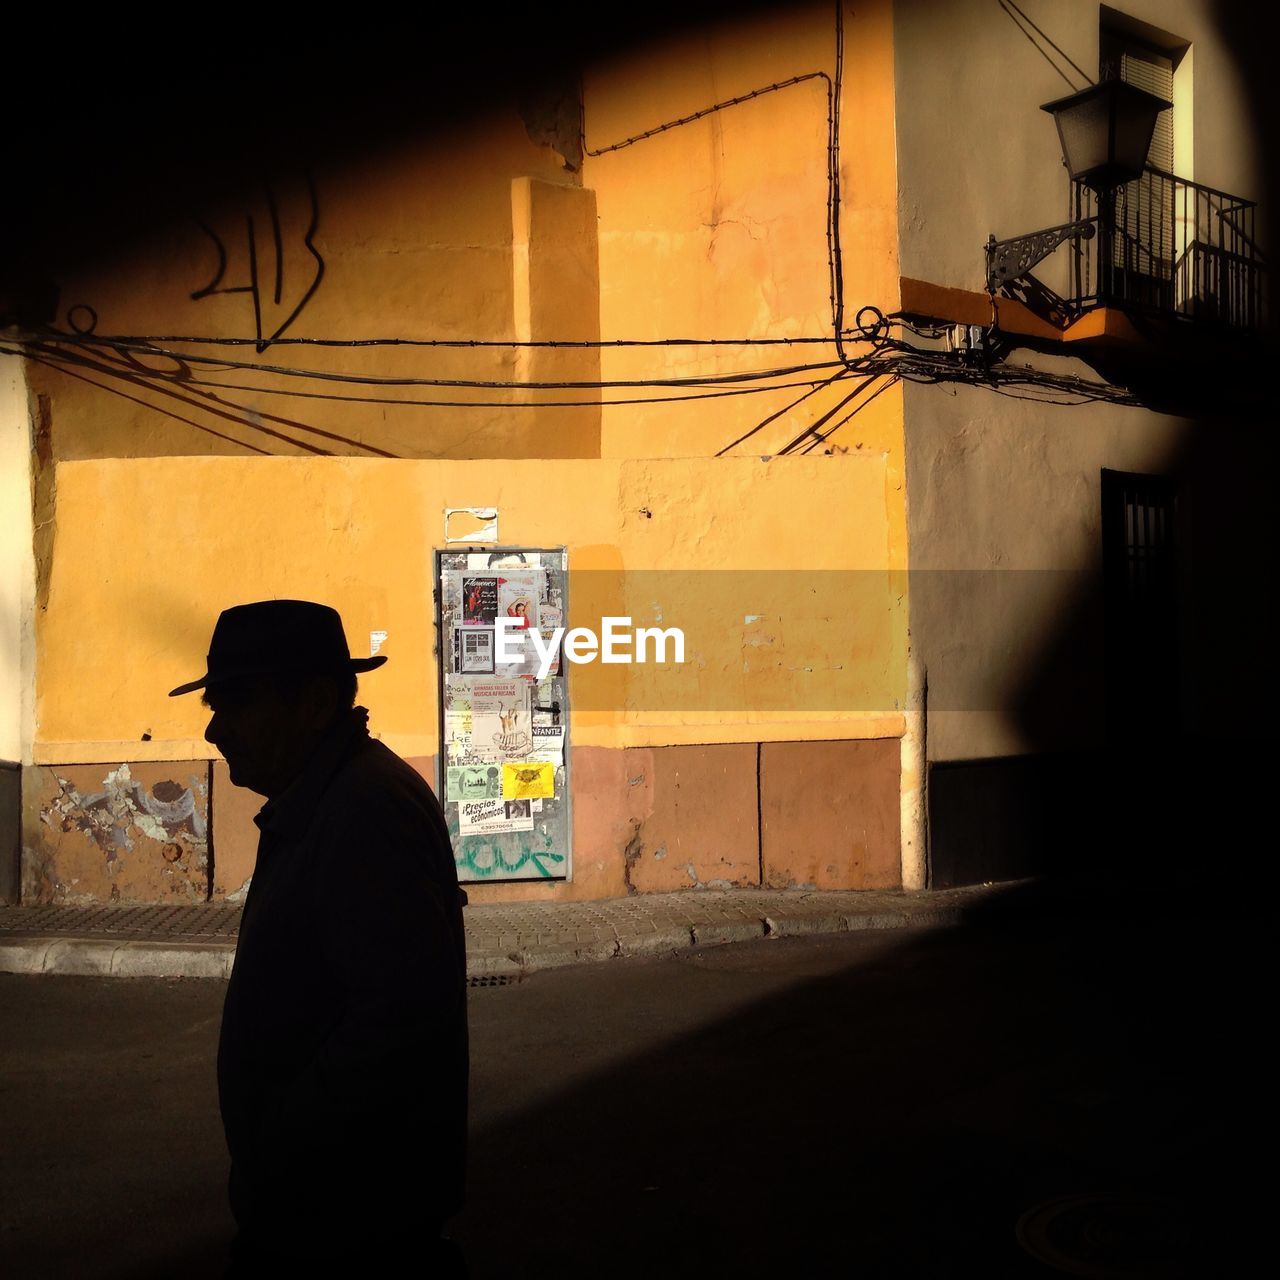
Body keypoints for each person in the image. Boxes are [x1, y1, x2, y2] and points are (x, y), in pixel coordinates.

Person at [169, 600, 468, 1276]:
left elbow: (397, 1020)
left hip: (347, 1233)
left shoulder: (364, 810)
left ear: (313, 704)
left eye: (236, 703)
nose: (216, 729)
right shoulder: (328, 796)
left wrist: (283, 1145)